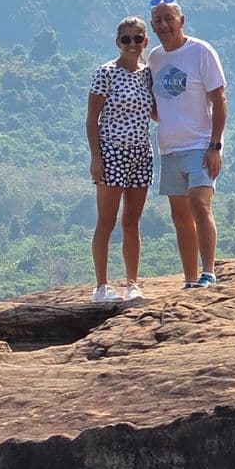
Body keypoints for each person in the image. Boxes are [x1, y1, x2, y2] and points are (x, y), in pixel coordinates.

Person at [148, 0, 227, 289]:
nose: (164, 25)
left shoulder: (200, 52)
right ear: (153, 26)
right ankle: (190, 279)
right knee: (179, 215)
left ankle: (208, 272)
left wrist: (215, 145)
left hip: (200, 145)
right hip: (169, 148)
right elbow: (157, 105)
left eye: (169, 18)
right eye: (158, 20)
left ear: (182, 20)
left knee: (200, 205)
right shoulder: (154, 58)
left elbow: (219, 99)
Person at [84, 16, 155, 304]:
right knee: (106, 221)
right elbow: (92, 118)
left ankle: (132, 284)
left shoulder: (148, 74)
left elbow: (157, 111)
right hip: (112, 152)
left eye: (137, 38)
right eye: (126, 39)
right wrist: (96, 157)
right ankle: (101, 286)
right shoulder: (106, 73)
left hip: (141, 153)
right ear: (117, 42)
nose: (132, 44)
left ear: (145, 41)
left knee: (132, 222)